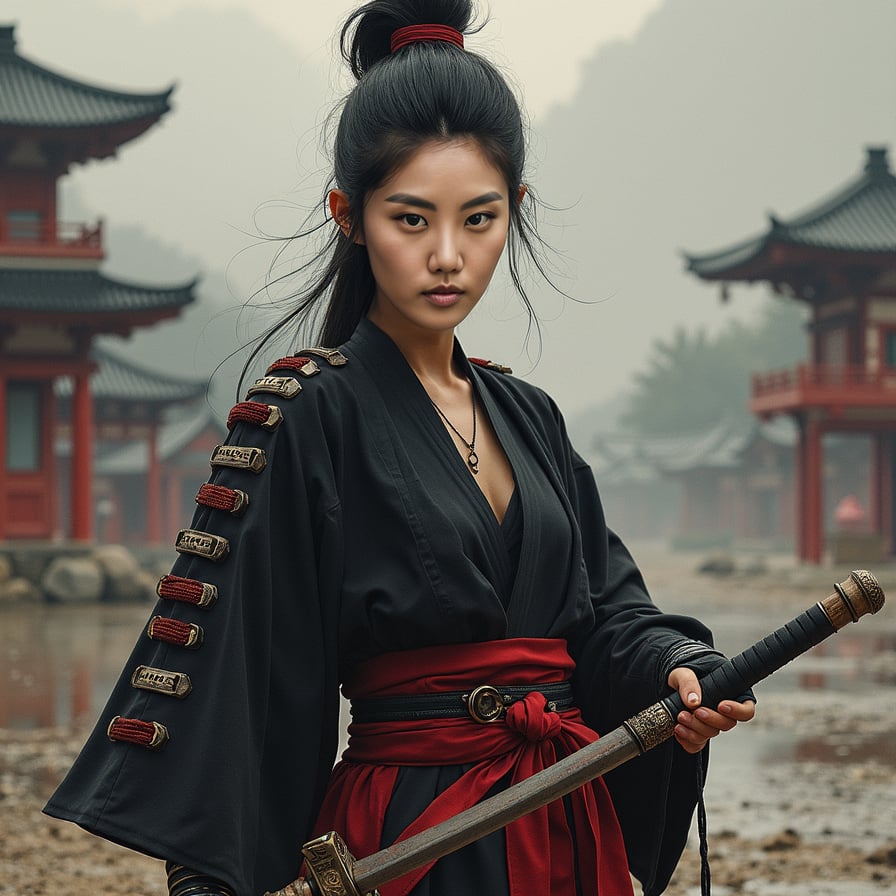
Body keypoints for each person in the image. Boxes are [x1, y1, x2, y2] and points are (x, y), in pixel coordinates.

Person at [44, 2, 755, 894]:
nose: (448, 256)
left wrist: (675, 669)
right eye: (412, 220)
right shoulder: (307, 415)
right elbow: (248, 675)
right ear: (349, 214)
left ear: (515, 211)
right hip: (407, 838)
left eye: (479, 219)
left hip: (560, 821)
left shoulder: (532, 417)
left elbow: (607, 615)